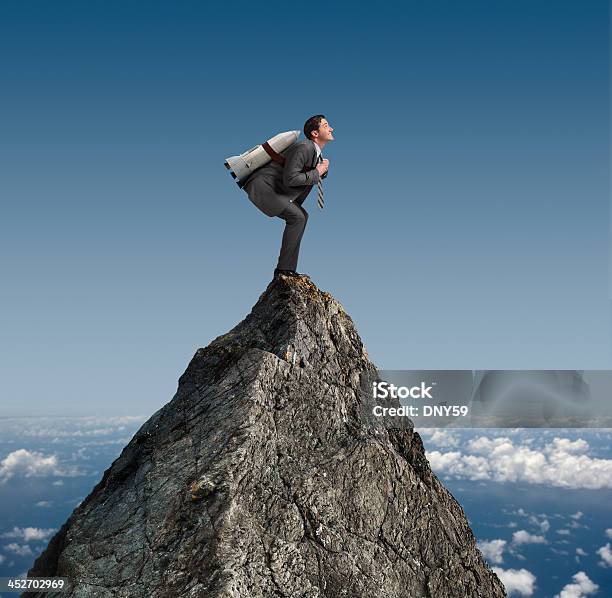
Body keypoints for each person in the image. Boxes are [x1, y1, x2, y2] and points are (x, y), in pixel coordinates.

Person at [243, 115, 334, 279]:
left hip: (273, 189)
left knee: (301, 216)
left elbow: (305, 172)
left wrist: (322, 171)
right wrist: (318, 171)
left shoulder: (314, 151)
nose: (331, 128)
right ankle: (283, 270)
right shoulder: (304, 148)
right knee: (298, 217)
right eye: (326, 125)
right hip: (265, 188)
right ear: (315, 133)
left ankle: (287, 269)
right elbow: (291, 178)